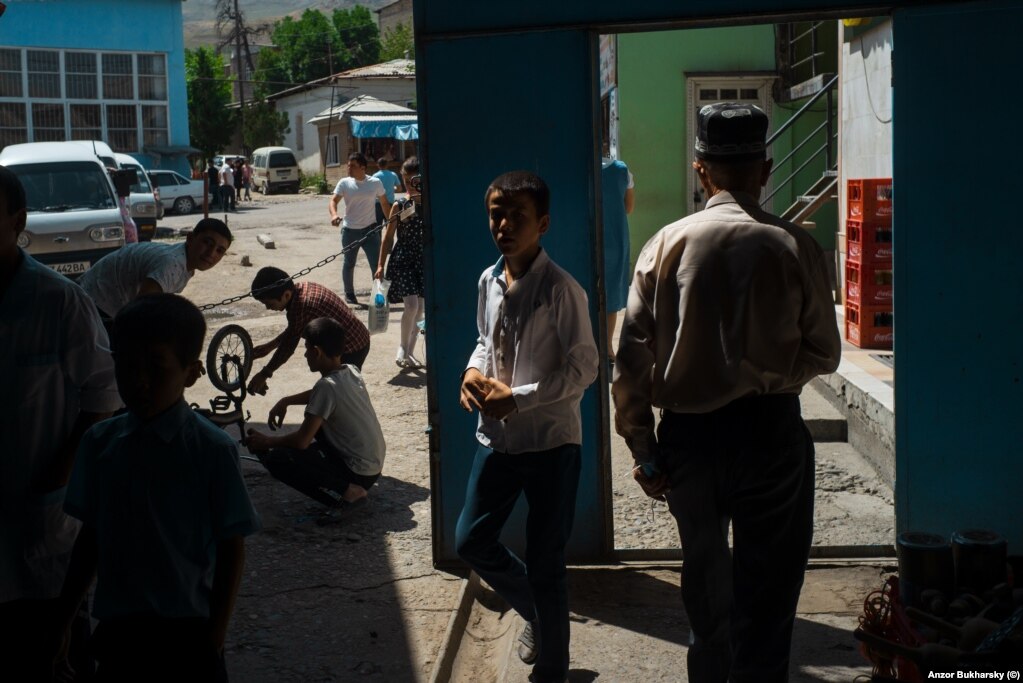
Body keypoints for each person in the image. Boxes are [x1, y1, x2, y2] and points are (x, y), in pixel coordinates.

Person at [612, 102, 842, 683]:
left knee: (707, 593)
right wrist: (765, 376)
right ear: (765, 170)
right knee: (769, 595)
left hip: (690, 442)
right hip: (771, 436)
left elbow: (630, 359)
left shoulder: (665, 245)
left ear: (700, 171)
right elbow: (824, 352)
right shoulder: (793, 246)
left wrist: (644, 451)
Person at [52, 293, 260, 681]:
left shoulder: (211, 451)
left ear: (192, 372)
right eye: (126, 367)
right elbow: (90, 540)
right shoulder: (99, 444)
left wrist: (214, 636)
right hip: (120, 634)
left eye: (156, 368)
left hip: (188, 633)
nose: (139, 382)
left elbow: (233, 548)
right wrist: (62, 621)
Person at [455, 171, 598, 683]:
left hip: (551, 445)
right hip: (496, 441)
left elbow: (585, 368)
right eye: (496, 213)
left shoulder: (561, 290)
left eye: (517, 216)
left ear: (543, 224)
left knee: (546, 562)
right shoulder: (487, 281)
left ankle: (553, 671)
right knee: (471, 540)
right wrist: (472, 373)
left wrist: (516, 399)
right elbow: (482, 341)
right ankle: (535, 612)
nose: (504, 224)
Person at [0, 166, 120, 680]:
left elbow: (103, 395)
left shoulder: (58, 301)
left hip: (38, 512)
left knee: (55, 643)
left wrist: (61, 472)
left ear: (18, 221)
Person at [246, 317, 385, 519]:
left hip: (358, 473)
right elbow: (321, 395)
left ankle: (349, 492)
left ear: (317, 351)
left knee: (279, 459)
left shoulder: (326, 387)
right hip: (372, 467)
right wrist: (286, 401)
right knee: (316, 424)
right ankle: (344, 483)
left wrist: (267, 441)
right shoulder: (351, 371)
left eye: (306, 348)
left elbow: (302, 441)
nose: (304, 354)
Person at [77, 217, 232, 328]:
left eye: (219, 250)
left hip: (93, 300)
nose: (211, 253)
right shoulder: (172, 264)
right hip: (94, 306)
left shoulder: (182, 259)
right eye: (207, 242)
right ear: (190, 238)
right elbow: (143, 309)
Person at [247, 267, 371, 396]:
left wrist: (265, 373)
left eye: (269, 303)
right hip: (359, 337)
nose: (267, 308)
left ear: (286, 295)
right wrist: (270, 346)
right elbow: (294, 329)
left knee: (336, 392)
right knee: (341, 390)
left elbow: (288, 347)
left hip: (352, 347)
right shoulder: (301, 288)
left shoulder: (301, 306)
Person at [375, 156, 425, 369]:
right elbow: (387, 237)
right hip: (404, 259)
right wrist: (379, 264)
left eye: (413, 180)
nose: (409, 185)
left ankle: (411, 352)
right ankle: (402, 348)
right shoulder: (401, 204)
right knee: (411, 306)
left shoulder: (432, 203)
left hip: (423, 260)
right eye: (405, 181)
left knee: (421, 309)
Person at [328, 153, 391, 306]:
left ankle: (379, 296)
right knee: (349, 263)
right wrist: (334, 215)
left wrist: (391, 222)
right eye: (348, 165)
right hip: (350, 231)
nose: (349, 168)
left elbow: (384, 204)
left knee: (376, 265)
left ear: (363, 167)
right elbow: (333, 200)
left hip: (371, 231)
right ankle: (349, 295)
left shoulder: (375, 182)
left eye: (353, 166)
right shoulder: (344, 183)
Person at [601, 154, 635, 365]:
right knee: (610, 297)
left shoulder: (575, 167)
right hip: (615, 239)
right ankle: (607, 350)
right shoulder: (622, 170)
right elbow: (628, 208)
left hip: (585, 237)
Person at [372, 157, 402, 226]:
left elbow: (371, 191)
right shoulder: (393, 175)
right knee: (389, 226)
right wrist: (392, 189)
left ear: (378, 165)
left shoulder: (375, 176)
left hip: (378, 204)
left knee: (377, 227)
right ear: (387, 165)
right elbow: (399, 189)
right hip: (390, 203)